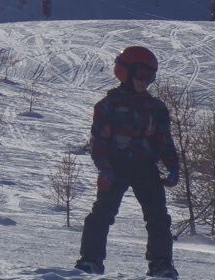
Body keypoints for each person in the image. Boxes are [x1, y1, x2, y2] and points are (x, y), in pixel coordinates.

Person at [76, 45, 180, 278]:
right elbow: (100, 142)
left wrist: (173, 166)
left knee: (158, 216)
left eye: (149, 77)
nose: (144, 82)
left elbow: (164, 140)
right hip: (116, 166)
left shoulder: (156, 108)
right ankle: (90, 260)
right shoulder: (108, 105)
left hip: (146, 167)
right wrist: (105, 169)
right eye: (140, 75)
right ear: (125, 72)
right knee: (102, 213)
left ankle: (161, 263)